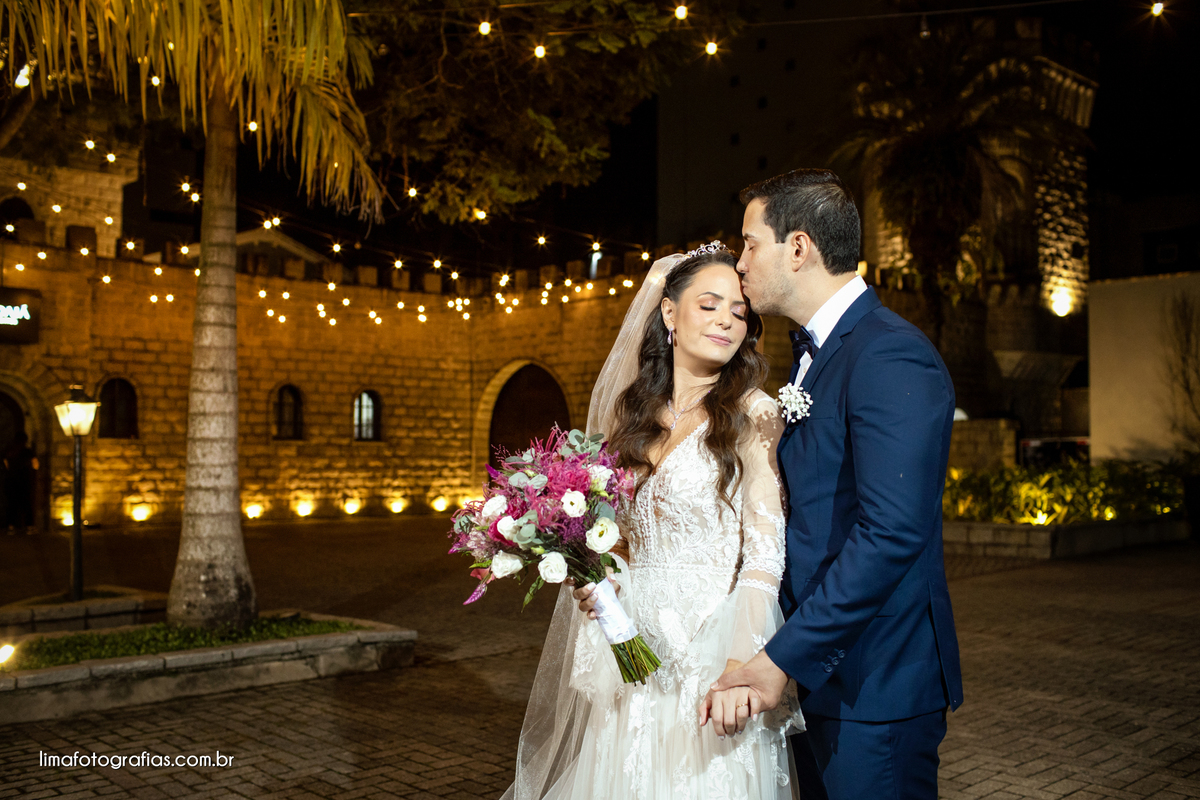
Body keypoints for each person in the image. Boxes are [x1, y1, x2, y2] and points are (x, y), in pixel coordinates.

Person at [501, 244, 804, 800]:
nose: (726, 321)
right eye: (709, 304)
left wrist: (741, 664)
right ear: (668, 312)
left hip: (710, 650)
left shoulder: (754, 414)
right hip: (630, 651)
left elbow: (765, 555)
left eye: (739, 312)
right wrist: (601, 582)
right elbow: (615, 538)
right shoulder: (630, 413)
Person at [701, 168, 964, 800]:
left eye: (750, 243)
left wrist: (781, 657)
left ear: (798, 248)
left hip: (876, 682)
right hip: (825, 679)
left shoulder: (888, 353)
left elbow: (890, 533)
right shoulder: (821, 353)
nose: (740, 263)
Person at [4, 430, 38, 534]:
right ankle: (29, 526)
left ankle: (11, 526)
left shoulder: (10, 451)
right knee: (26, 504)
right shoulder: (27, 452)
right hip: (24, 481)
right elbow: (36, 465)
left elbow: (5, 463)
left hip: (12, 481)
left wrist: (10, 470)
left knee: (12, 504)